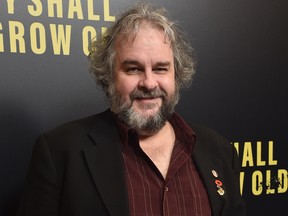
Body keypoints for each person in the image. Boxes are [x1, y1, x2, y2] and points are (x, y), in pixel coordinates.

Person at [17, 3, 245, 216]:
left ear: (176, 75)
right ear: (109, 76)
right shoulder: (59, 152)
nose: (149, 82)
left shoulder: (219, 151)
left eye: (161, 68)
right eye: (133, 69)